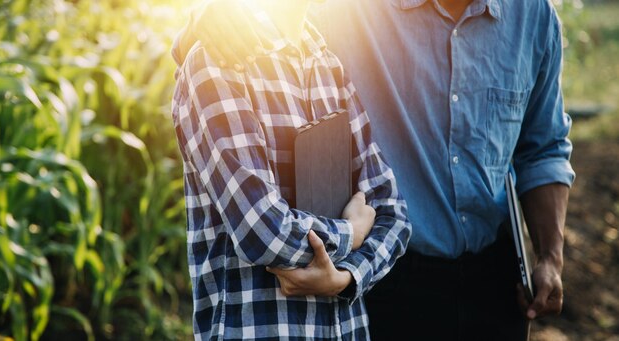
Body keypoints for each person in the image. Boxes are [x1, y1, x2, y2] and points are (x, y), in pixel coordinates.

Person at [174, 0, 577, 340]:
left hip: (494, 280)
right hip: (391, 284)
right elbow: (255, 23)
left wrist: (549, 257)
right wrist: (203, 18)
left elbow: (542, 149)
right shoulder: (360, 10)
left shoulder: (534, 17)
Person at [170, 0, 412, 339]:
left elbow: (393, 212)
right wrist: (351, 234)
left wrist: (346, 278)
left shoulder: (328, 65)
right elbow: (262, 230)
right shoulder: (215, 64)